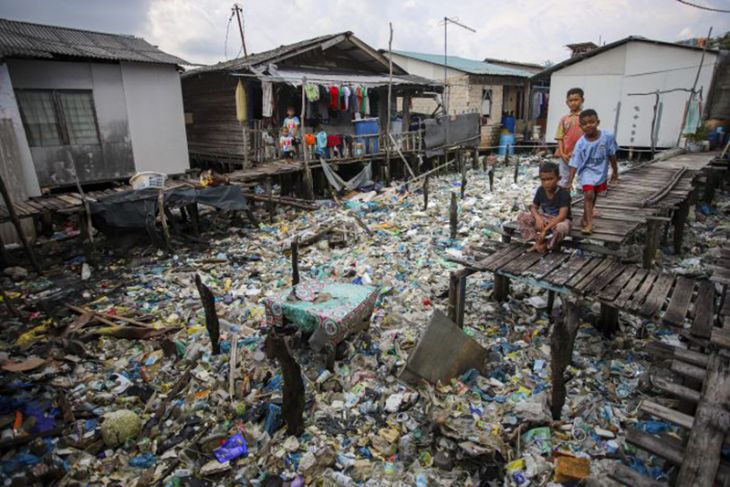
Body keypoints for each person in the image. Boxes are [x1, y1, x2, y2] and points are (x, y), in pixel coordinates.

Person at [567, 109, 619, 235]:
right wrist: (570, 182)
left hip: (601, 171)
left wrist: (615, 172)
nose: (588, 125)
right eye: (584, 124)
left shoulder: (607, 137)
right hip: (586, 172)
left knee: (593, 195)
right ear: (581, 127)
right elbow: (574, 163)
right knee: (589, 194)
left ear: (597, 122)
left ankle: (585, 218)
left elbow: (612, 155)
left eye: (591, 122)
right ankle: (589, 224)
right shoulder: (581, 144)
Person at [518, 162, 572, 253]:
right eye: (543, 180)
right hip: (545, 218)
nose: (547, 183)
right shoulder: (541, 190)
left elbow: (562, 216)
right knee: (522, 217)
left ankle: (546, 245)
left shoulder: (564, 193)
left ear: (558, 178)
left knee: (561, 228)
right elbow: (533, 207)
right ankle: (537, 242)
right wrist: (538, 218)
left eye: (550, 179)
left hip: (559, 220)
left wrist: (545, 229)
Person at [555, 87, 585, 188]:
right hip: (566, 154)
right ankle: (564, 202)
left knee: (584, 180)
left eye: (576, 100)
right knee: (564, 180)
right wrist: (562, 153)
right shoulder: (564, 119)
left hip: (582, 154)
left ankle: (585, 202)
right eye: (570, 100)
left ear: (582, 100)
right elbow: (559, 137)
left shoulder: (585, 118)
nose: (573, 103)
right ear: (567, 102)